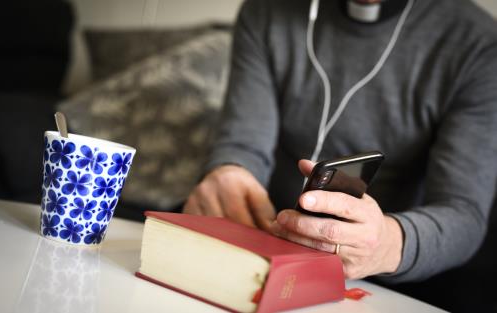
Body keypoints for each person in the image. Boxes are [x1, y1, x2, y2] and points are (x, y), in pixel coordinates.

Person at [183, 0, 497, 287]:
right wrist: (230, 172)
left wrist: (384, 244)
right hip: (266, 247)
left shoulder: (478, 43)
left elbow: (463, 213)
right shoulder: (265, 11)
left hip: (383, 278)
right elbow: (243, 145)